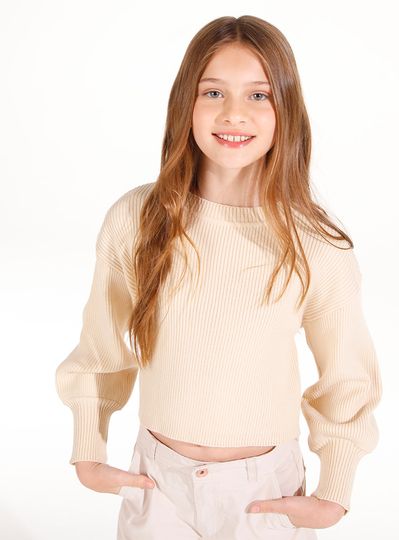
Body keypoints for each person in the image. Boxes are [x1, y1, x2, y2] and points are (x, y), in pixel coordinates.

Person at [55, 14, 382, 540]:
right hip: (157, 484)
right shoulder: (138, 219)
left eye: (259, 95)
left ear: (286, 109)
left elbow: (348, 377)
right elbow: (100, 346)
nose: (234, 113)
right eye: (213, 92)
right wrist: (88, 449)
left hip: (263, 494)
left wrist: (335, 492)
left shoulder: (315, 244)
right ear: (185, 103)